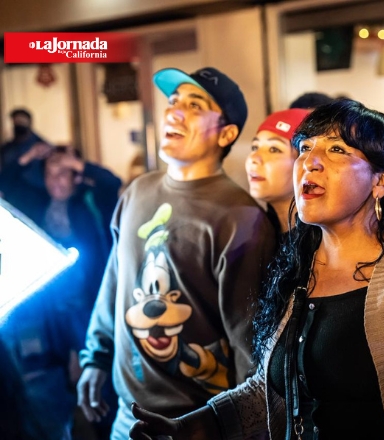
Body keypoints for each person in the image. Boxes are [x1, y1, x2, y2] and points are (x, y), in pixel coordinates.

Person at [129, 99, 384, 440]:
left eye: (336, 149)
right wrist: (195, 426)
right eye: (304, 148)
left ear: (381, 181)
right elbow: (275, 390)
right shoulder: (298, 269)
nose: (311, 162)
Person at [77, 66, 276, 439]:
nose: (174, 112)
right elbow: (116, 283)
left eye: (195, 105)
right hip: (126, 418)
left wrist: (234, 429)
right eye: (173, 101)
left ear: (226, 133)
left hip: (193, 425)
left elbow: (249, 346)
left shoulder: (241, 218)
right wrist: (95, 358)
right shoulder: (136, 192)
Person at [0, 144, 122, 440]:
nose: (55, 181)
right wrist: (28, 156)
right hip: (49, 311)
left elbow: (112, 183)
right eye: (50, 174)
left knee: (97, 371)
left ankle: (106, 428)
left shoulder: (90, 200)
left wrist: (78, 164)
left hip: (87, 305)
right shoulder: (37, 201)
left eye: (63, 173)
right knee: (52, 380)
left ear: (75, 177)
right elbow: (7, 185)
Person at [246, 108, 310, 235]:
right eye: (255, 147)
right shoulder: (257, 232)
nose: (254, 158)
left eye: (274, 149)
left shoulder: (324, 240)